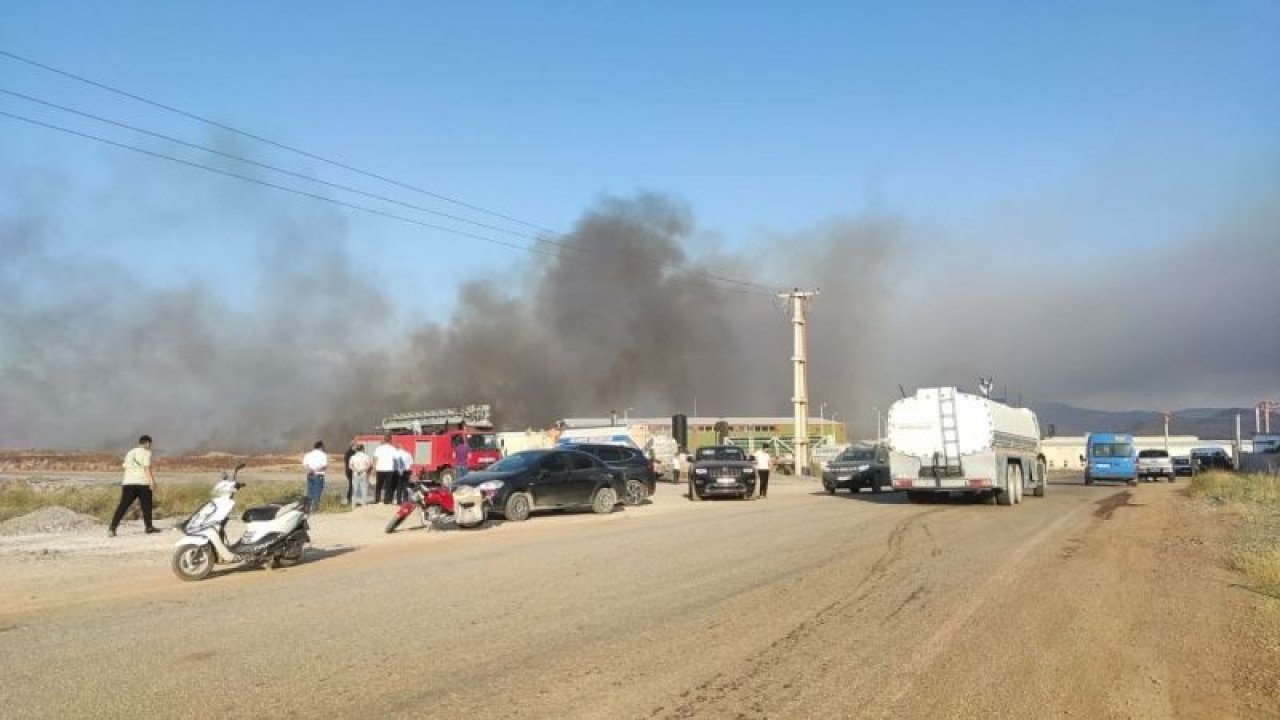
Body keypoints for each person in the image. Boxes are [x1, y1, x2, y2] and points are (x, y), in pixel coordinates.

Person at [109, 434, 160, 537]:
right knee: (146, 506)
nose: (150, 446)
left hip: (128, 482)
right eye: (150, 444)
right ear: (147, 443)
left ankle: (112, 528)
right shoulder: (146, 452)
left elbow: (125, 466)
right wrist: (152, 481)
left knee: (122, 506)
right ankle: (149, 527)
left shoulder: (130, 452)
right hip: (142, 482)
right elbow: (147, 468)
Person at [302, 441, 328, 512]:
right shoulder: (323, 455)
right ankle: (314, 510)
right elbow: (324, 466)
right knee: (317, 492)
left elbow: (305, 465)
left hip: (310, 475)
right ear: (321, 447)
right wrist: (316, 470)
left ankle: (308, 509)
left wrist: (310, 470)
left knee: (310, 492)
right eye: (323, 447)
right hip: (318, 476)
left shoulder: (308, 454)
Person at [373, 435, 398, 504]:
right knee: (388, 486)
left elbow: (375, 459)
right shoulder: (393, 449)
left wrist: (374, 468)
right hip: (389, 469)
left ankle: (377, 499)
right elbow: (396, 460)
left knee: (379, 485)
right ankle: (386, 500)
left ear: (384, 440)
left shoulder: (378, 448)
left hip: (380, 469)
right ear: (390, 440)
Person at [347, 443, 373, 508]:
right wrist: (365, 469)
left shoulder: (353, 457)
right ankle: (363, 504)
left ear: (357, 449)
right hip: (363, 473)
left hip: (355, 473)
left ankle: (353, 504)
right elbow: (370, 464)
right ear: (362, 449)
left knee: (355, 489)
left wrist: (355, 470)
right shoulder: (366, 456)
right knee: (364, 489)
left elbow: (350, 466)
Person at [343, 440, 358, 506]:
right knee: (352, 486)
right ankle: (349, 499)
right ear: (353, 446)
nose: (357, 447)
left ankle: (350, 499)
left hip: (349, 471)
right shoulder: (351, 453)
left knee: (352, 486)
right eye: (356, 445)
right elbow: (351, 463)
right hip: (351, 471)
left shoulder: (349, 453)